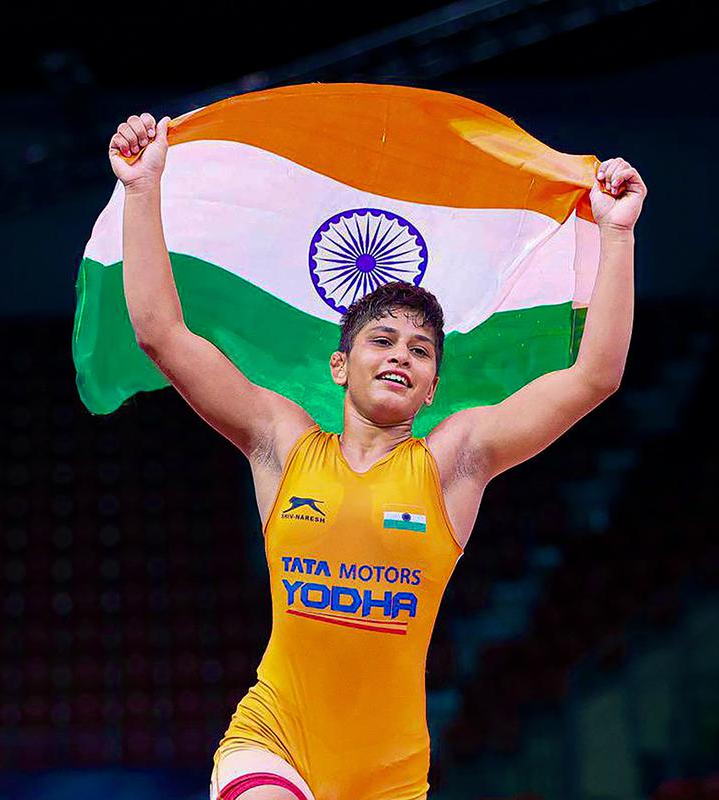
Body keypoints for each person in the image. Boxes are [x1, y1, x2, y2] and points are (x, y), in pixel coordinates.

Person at [108, 111, 645, 800]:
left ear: (431, 389)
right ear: (340, 365)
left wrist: (616, 234)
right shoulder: (281, 443)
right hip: (273, 744)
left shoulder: (456, 463)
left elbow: (593, 377)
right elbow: (161, 334)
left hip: (389, 779)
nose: (400, 356)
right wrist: (142, 187)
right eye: (382, 341)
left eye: (420, 352)